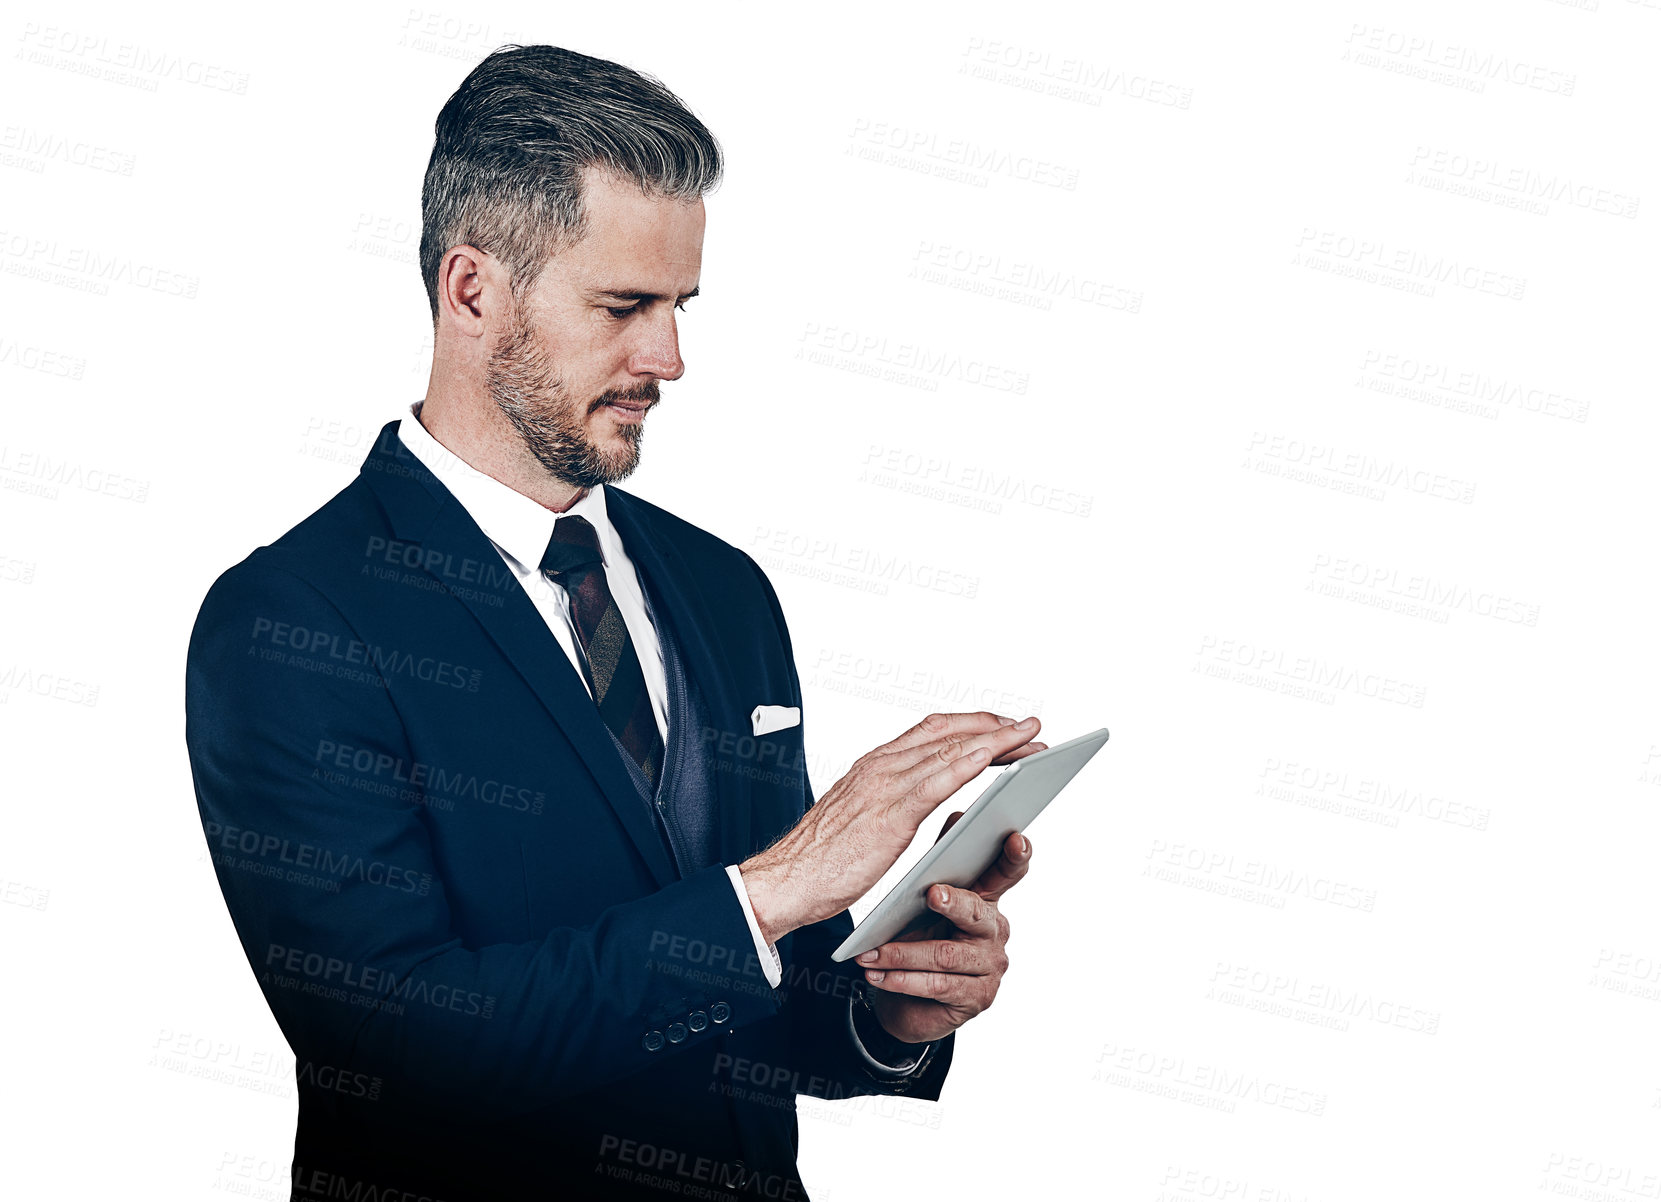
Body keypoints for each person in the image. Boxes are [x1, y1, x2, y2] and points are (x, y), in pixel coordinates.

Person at [184, 43, 1045, 1201]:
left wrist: (886, 1009)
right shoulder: (286, 620)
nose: (671, 358)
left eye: (679, 305)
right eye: (624, 305)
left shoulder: (721, 587)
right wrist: (781, 881)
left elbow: (747, 996)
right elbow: (400, 1050)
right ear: (472, 288)